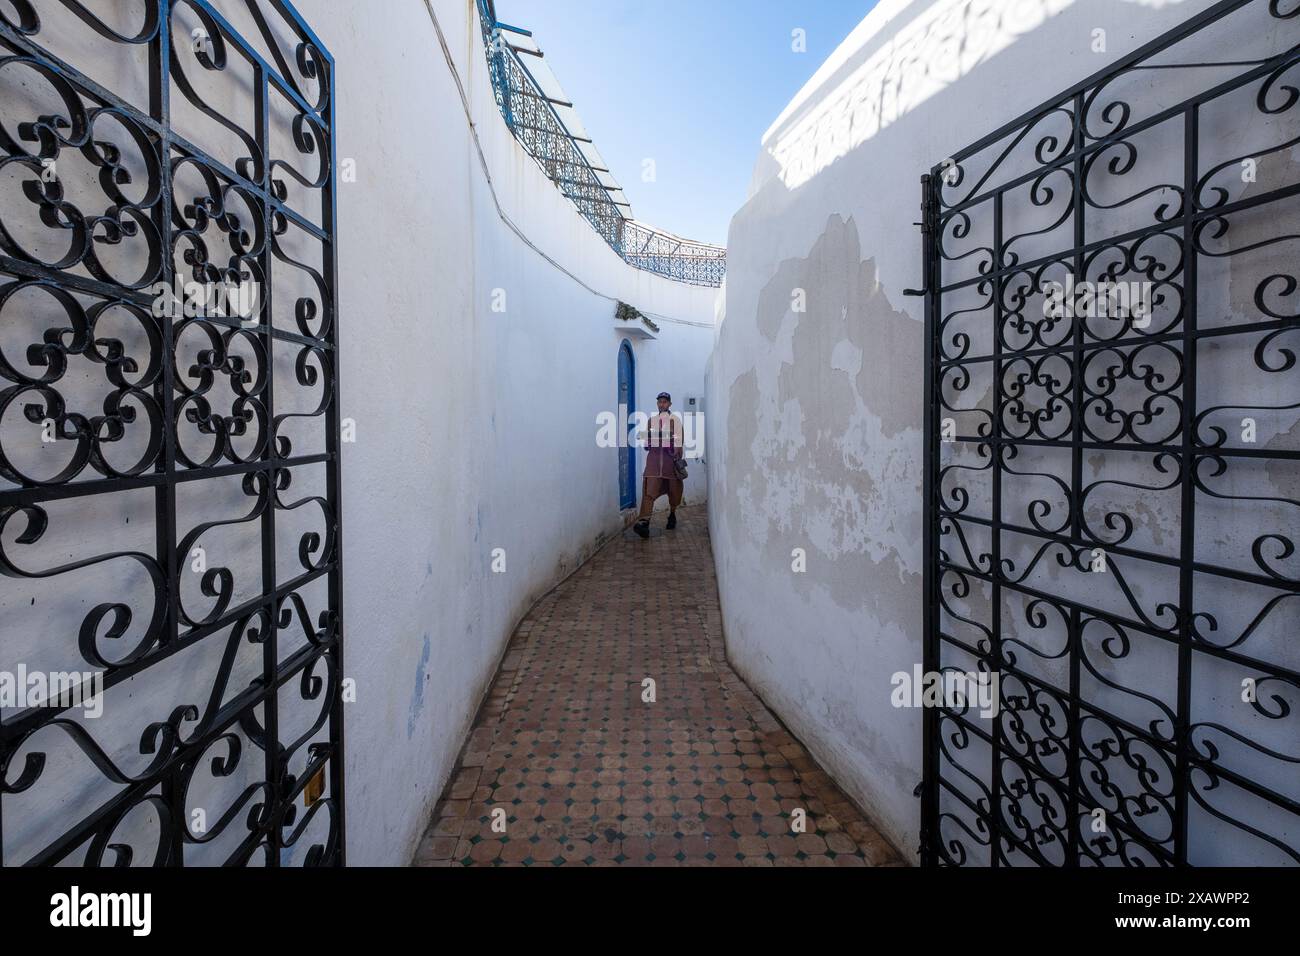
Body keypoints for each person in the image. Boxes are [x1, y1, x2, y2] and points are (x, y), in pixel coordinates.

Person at [633, 392, 684, 539]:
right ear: (657, 404)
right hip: (654, 465)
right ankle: (645, 523)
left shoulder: (676, 422)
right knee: (649, 492)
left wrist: (671, 446)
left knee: (674, 494)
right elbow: (646, 444)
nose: (662, 404)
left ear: (670, 404)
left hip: (670, 466)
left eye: (665, 402)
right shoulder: (651, 421)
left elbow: (679, 444)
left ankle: (672, 514)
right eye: (659, 402)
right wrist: (648, 441)